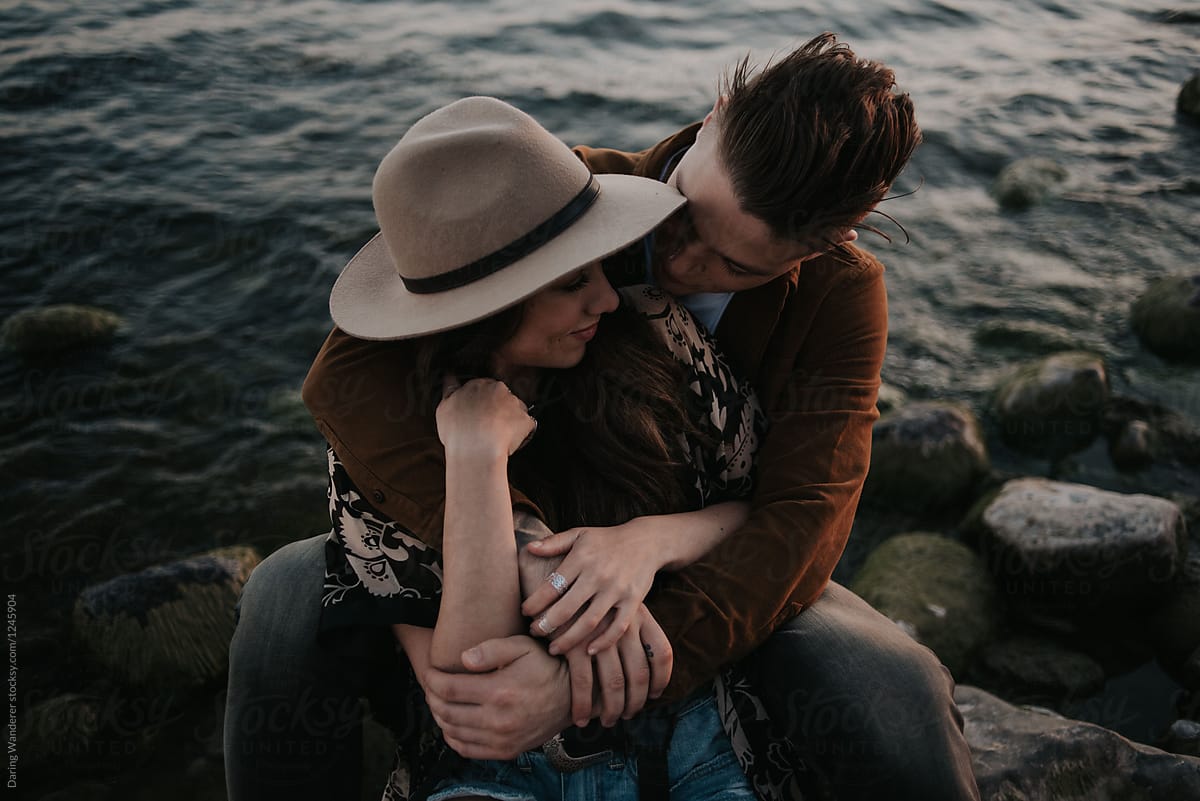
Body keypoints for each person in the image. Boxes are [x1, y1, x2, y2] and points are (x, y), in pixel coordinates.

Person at [226, 32, 980, 801]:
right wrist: (519, 540)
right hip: (522, 556)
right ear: (715, 117)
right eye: (683, 218)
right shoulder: (566, 192)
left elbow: (805, 515)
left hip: (697, 566)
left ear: (826, 245)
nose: (678, 266)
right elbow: (350, 374)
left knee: (892, 682)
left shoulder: (841, 296)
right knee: (285, 595)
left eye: (733, 266)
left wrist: (601, 653)